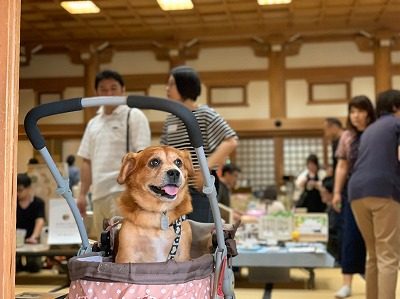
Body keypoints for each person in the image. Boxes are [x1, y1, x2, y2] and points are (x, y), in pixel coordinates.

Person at [77, 69, 151, 239]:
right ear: (96, 92)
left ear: (123, 90)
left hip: (123, 192)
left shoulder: (134, 115)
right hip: (98, 194)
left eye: (113, 88)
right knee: (100, 244)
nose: (108, 93)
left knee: (125, 242)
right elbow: (86, 161)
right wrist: (82, 194)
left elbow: (143, 156)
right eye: (103, 89)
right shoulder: (93, 123)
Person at [161, 65, 238, 223]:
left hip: (199, 189)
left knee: (199, 236)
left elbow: (231, 141)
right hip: (173, 189)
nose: (166, 88)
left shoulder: (204, 114)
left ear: (185, 85)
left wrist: (205, 169)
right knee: (176, 236)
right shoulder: (170, 119)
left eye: (171, 84)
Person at [348, 89, 400, 299]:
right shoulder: (396, 124)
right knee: (388, 255)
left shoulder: (369, 130)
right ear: (396, 107)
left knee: (374, 254)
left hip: (356, 192)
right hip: (383, 190)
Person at [332, 95, 375, 298]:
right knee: (350, 234)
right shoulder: (347, 136)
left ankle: (373, 276)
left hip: (376, 188)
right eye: (352, 111)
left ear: (369, 112)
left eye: (360, 111)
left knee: (376, 236)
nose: (356, 116)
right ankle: (347, 283)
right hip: (353, 188)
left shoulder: (377, 132)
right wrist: (337, 192)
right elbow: (342, 166)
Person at [16, 173, 45, 273]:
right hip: (15, 242)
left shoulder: (38, 203)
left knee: (34, 267)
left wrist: (34, 237)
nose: (17, 193)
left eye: (20, 190)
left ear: (28, 188)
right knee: (14, 268)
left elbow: (40, 220)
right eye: (15, 190)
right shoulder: (12, 203)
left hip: (32, 241)